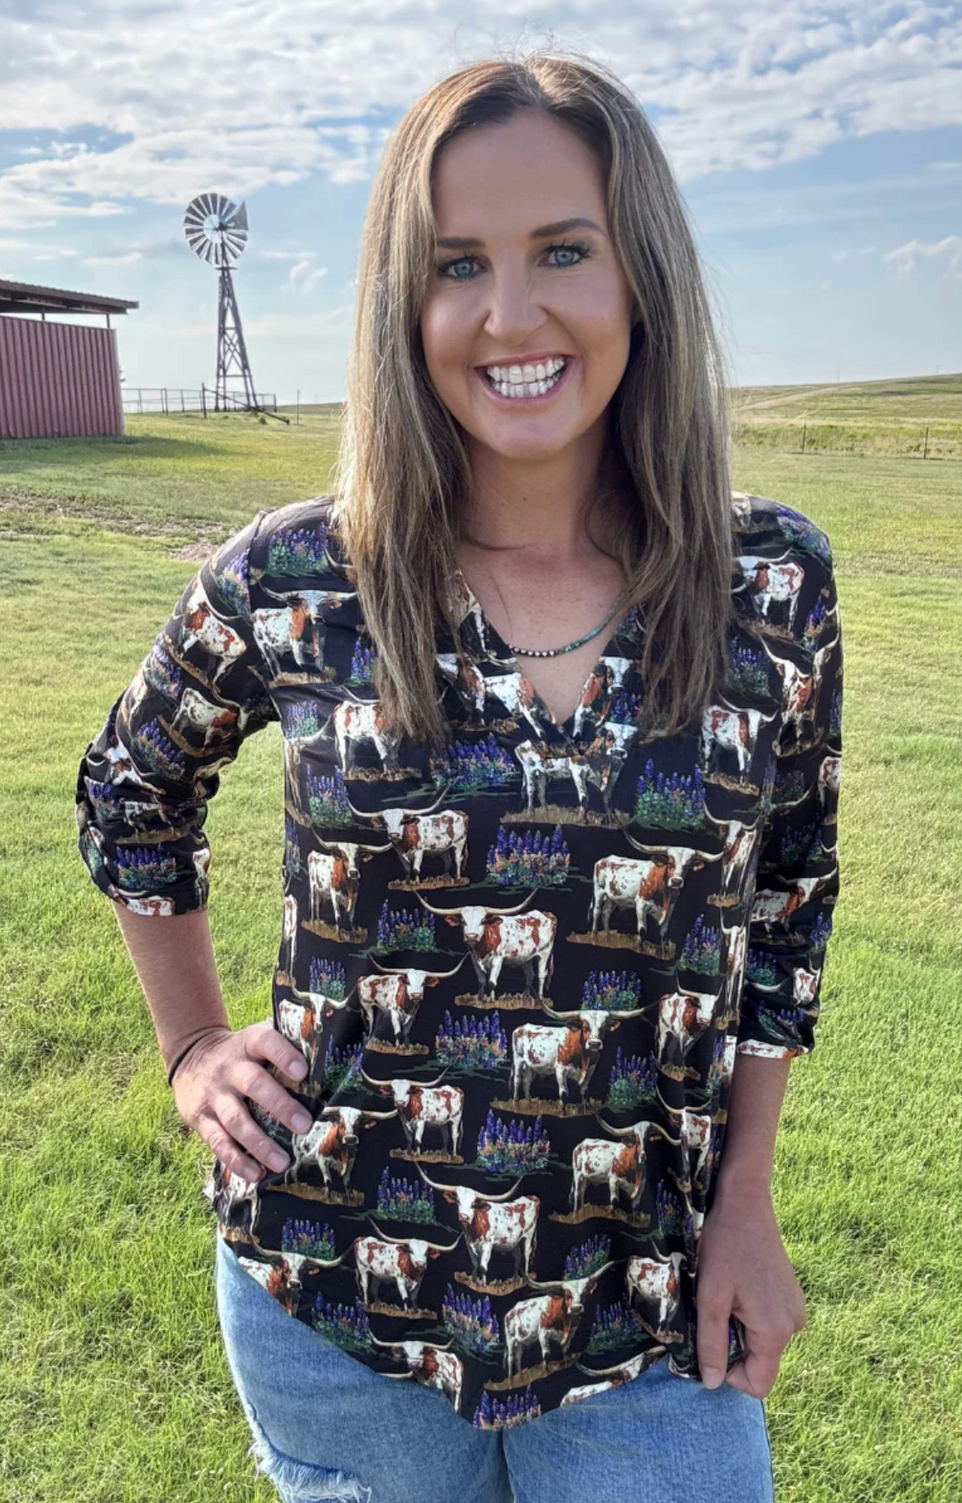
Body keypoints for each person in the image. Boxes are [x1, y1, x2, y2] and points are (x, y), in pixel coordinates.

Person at [74, 46, 842, 1503]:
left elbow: (790, 901)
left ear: (642, 274)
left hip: (647, 1301)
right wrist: (193, 1049)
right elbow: (131, 786)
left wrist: (747, 1194)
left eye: (564, 250)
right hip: (336, 1294)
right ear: (402, 301)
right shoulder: (299, 578)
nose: (510, 315)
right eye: (457, 265)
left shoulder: (768, 586)